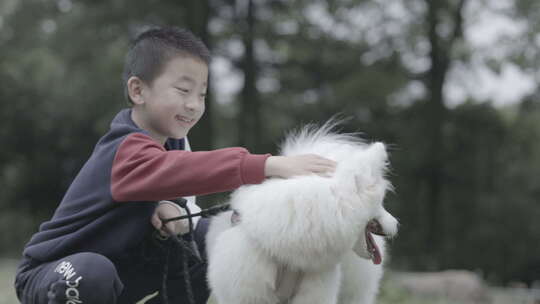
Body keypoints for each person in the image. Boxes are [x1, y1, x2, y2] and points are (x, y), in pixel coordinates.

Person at [13, 26, 336, 304]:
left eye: (202, 94)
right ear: (138, 90)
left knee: (213, 239)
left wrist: (177, 212)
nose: (194, 105)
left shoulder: (175, 144)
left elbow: (181, 194)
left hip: (121, 273)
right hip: (57, 274)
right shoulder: (123, 147)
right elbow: (178, 169)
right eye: (183, 90)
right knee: (91, 273)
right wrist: (270, 165)